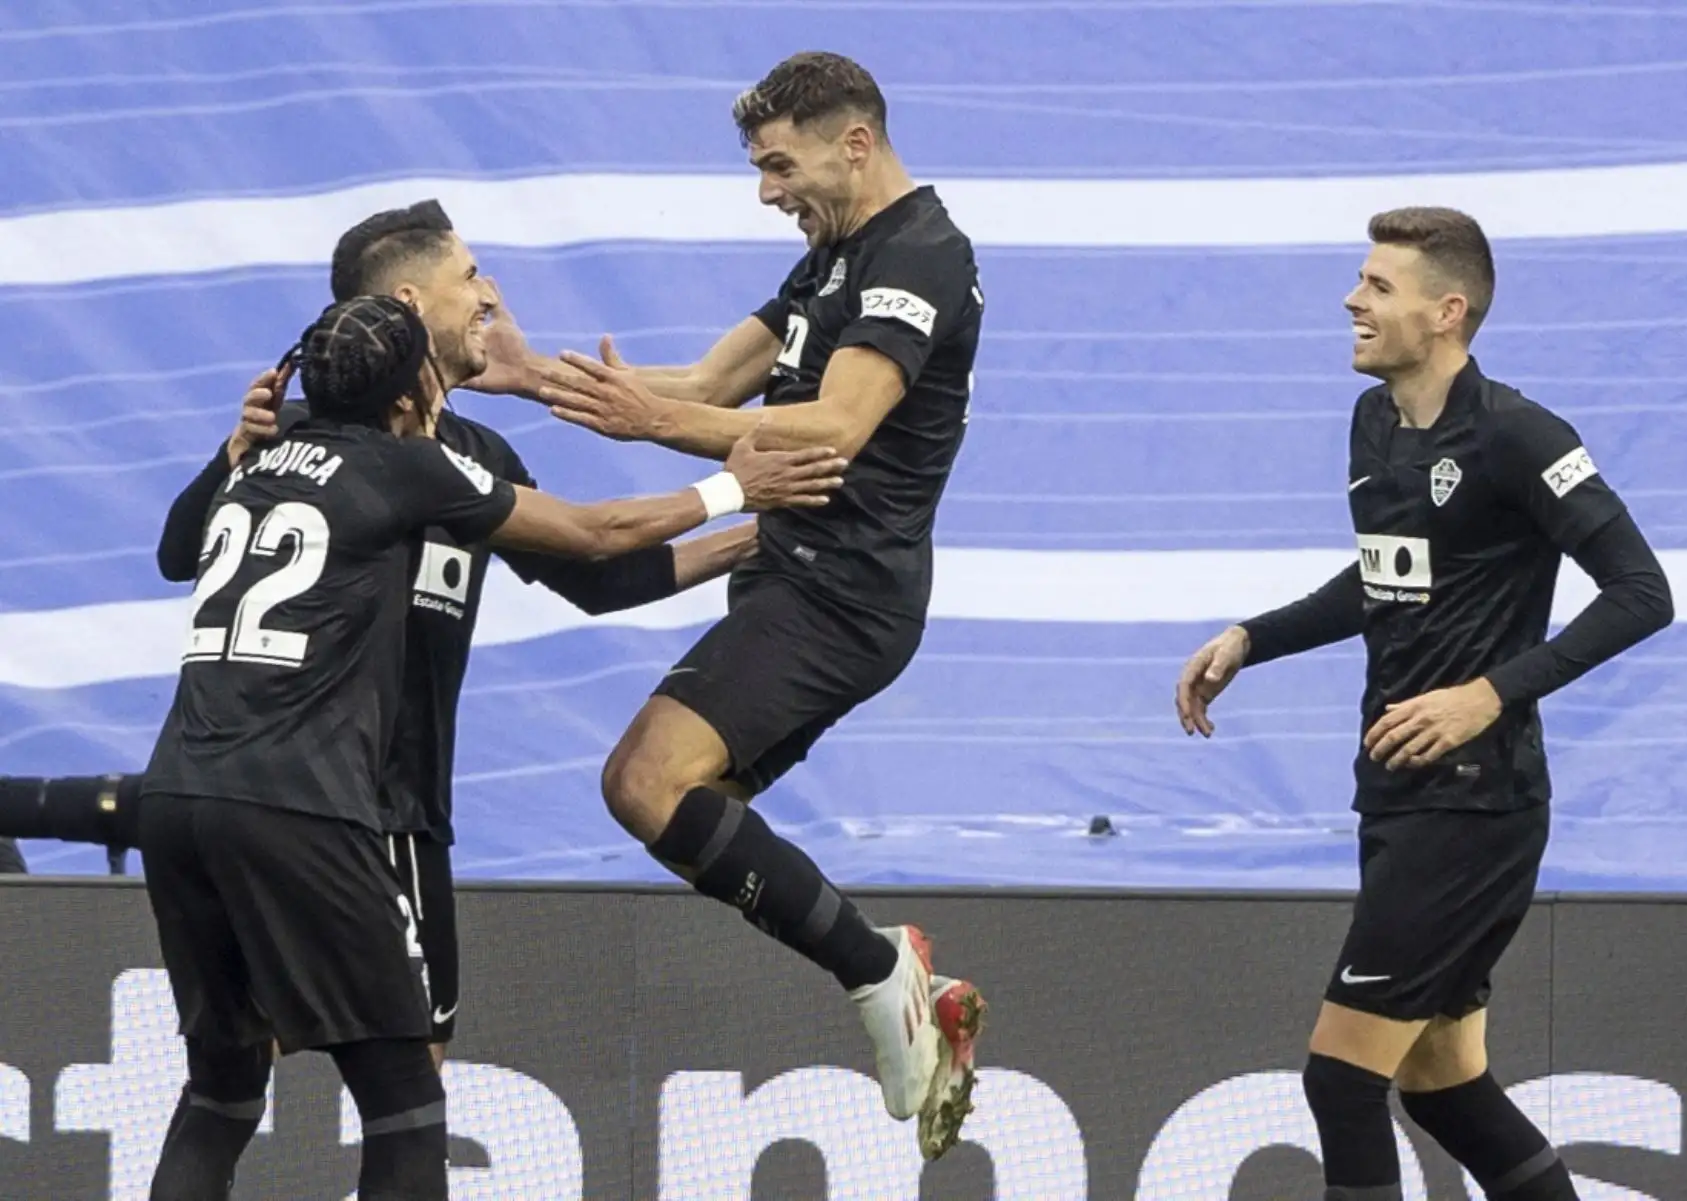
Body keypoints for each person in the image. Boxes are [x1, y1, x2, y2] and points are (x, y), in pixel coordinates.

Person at [0, 199, 757, 1068]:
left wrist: (755, 539)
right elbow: (179, 551)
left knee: (284, 1080)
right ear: (409, 301)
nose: (491, 293)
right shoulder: (310, 440)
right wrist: (742, 494)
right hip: (333, 802)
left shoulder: (474, 457)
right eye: (469, 276)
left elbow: (604, 578)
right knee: (395, 1085)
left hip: (405, 805)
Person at [136, 293, 843, 1200]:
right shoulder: (407, 467)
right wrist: (731, 485)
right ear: (407, 403)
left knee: (222, 1089)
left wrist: (234, 446)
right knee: (404, 1106)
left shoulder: (256, 455)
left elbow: (171, 549)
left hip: (176, 797)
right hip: (301, 807)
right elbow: (596, 534)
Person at [465, 51, 987, 1159]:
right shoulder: (831, 257)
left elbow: (837, 429)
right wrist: (531, 378)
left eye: (777, 165)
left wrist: (651, 434)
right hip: (802, 584)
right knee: (682, 811)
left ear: (854, 140)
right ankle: (897, 982)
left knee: (643, 779)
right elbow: (704, 386)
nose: (767, 192)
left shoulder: (924, 254)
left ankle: (881, 972)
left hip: (842, 598)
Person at [1175, 207, 1674, 1201]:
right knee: (1443, 1084)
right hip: (1400, 795)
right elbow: (1386, 581)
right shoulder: (1373, 426)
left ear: (1446, 313)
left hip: (1474, 807)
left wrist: (1488, 694)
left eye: (1378, 286)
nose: (1353, 300)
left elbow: (1642, 592)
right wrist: (1252, 637)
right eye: (1360, 282)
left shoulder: (1520, 435)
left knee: (1342, 1080)